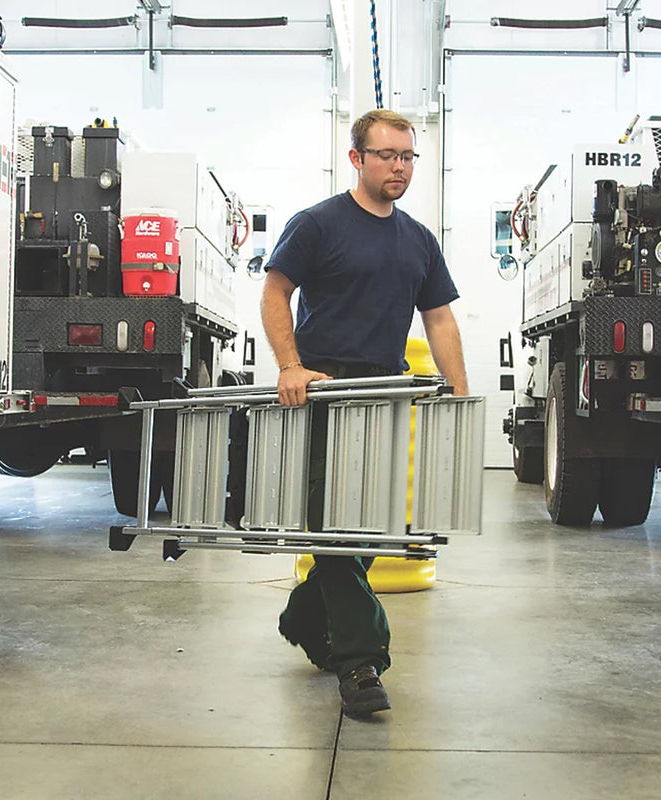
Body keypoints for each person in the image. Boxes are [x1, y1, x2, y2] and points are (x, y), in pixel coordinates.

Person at [260, 108, 468, 719]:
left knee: (370, 528)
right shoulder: (319, 224)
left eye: (407, 157)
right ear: (357, 158)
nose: (399, 166)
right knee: (335, 528)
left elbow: (440, 317)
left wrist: (456, 389)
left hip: (386, 393)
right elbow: (276, 291)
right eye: (387, 155)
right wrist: (291, 365)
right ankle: (361, 661)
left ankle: (304, 615)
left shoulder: (418, 240)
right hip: (324, 391)